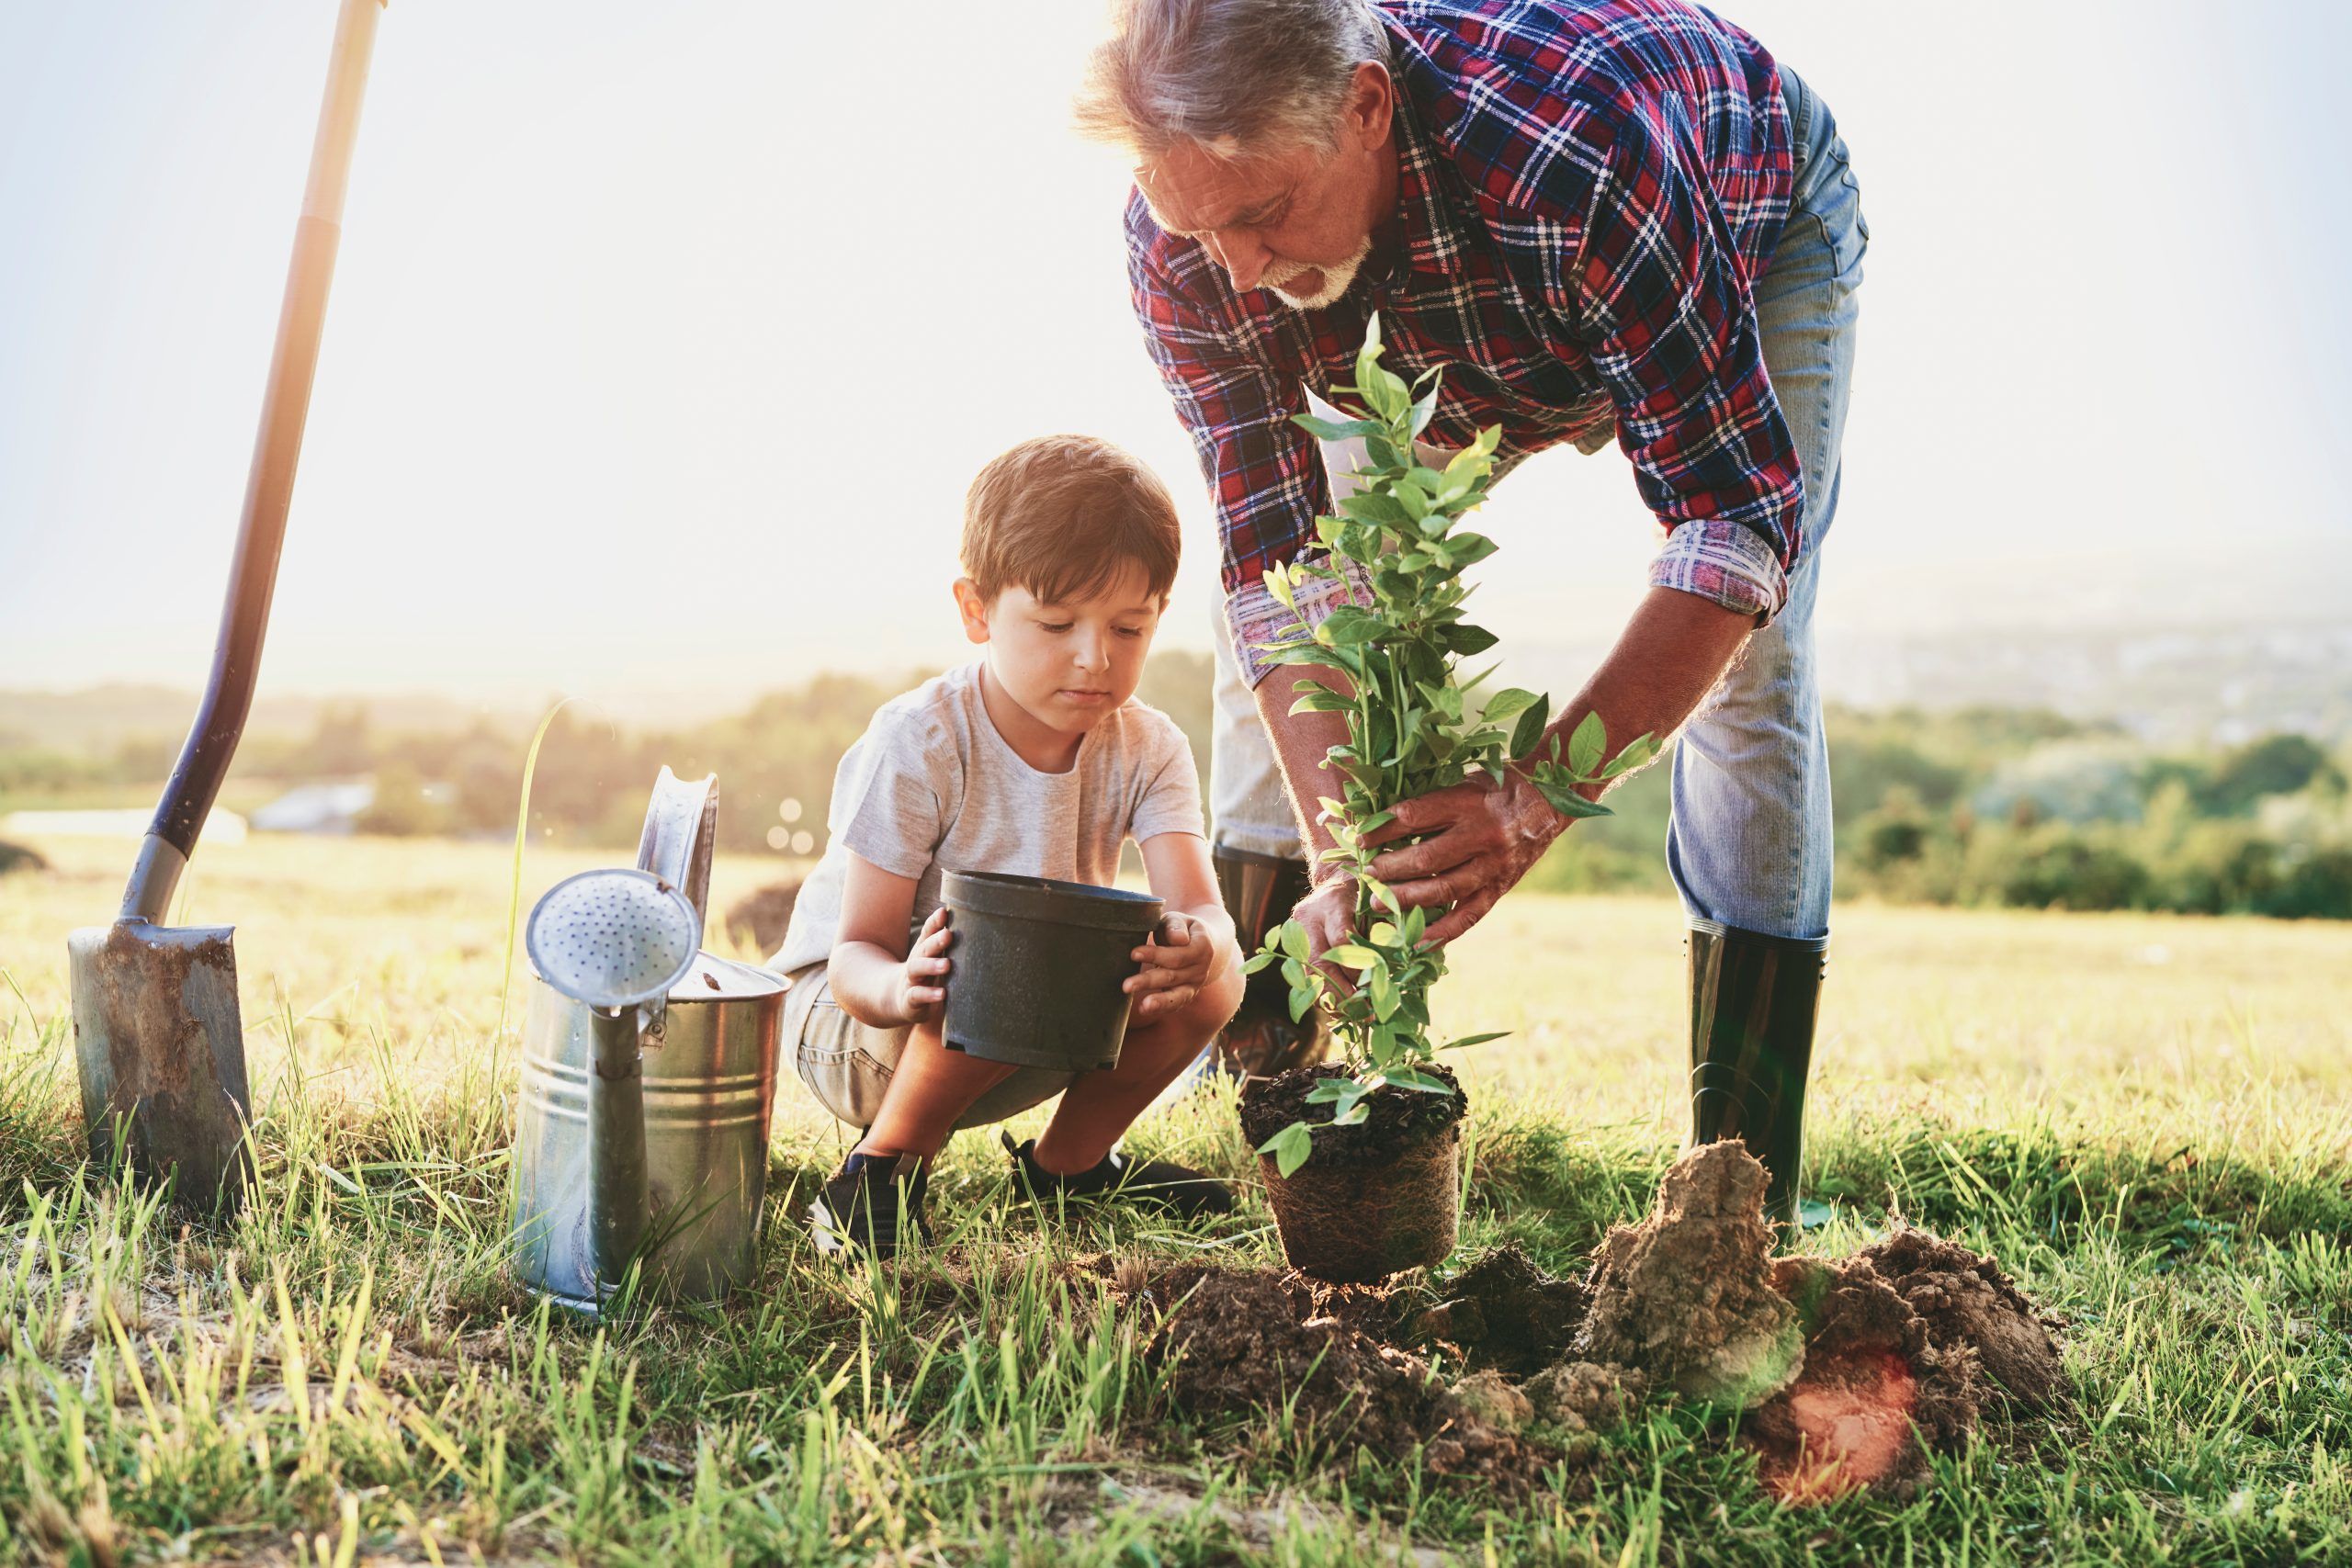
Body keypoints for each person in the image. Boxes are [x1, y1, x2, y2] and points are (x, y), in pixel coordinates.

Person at [1077, 0, 1866, 1228]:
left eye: (1262, 213)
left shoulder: (1581, 154)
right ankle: (1274, 1096)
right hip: (1449, 317)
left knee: (1756, 667)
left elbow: (1732, 526)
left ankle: (1740, 1187)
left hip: (1727, 228)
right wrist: (1347, 848)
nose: (1230, 266)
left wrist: (1527, 800)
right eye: (1197, 225)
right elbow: (1277, 562)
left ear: (1366, 110)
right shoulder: (1193, 237)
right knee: (1294, 632)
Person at [772, 434, 1247, 1257]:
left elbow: (1205, 907)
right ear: (976, 610)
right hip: (862, 1028)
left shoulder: (1151, 746)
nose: (1094, 658)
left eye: (1128, 629)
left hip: (1028, 1019)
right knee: (1013, 946)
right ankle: (874, 1178)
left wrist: (1203, 946)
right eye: (1057, 623)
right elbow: (852, 954)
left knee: (1219, 970)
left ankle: (1068, 1169)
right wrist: (903, 986)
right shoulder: (921, 738)